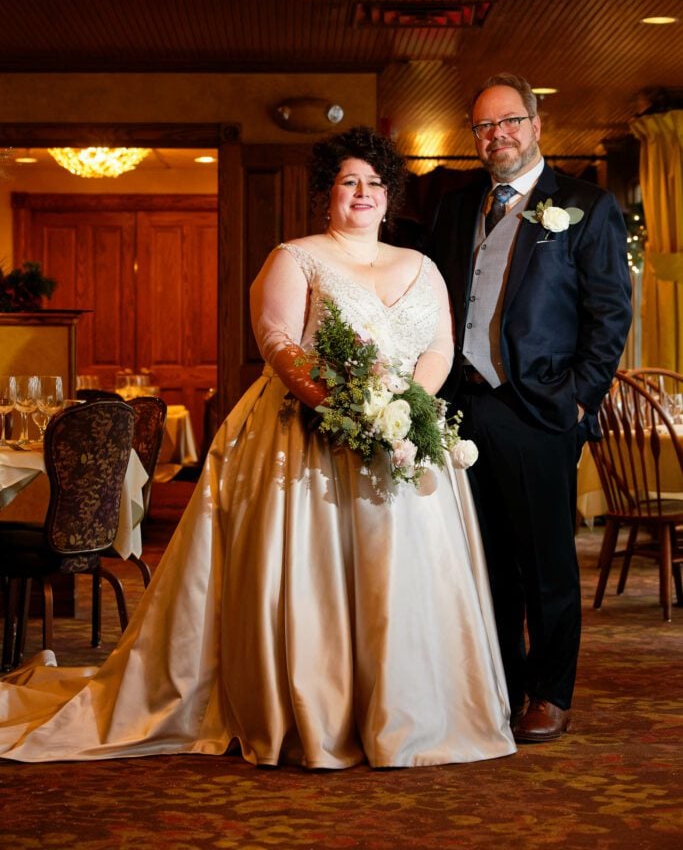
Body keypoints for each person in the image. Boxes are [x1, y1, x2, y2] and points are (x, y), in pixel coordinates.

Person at [0, 126, 515, 768]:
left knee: (403, 576)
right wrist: (347, 409)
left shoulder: (421, 266)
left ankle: (404, 711)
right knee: (315, 579)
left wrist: (406, 409)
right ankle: (315, 713)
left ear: (390, 197)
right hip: (307, 440)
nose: (362, 193)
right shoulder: (295, 256)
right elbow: (279, 344)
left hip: (405, 441)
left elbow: (440, 346)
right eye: (348, 182)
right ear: (327, 194)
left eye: (374, 183)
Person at [431, 74, 632, 742]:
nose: (498, 136)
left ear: (536, 124)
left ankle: (548, 692)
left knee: (545, 562)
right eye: (484, 127)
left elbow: (608, 316)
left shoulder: (583, 205)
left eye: (509, 121)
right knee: (485, 561)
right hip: (464, 407)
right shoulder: (459, 207)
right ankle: (501, 683)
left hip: (542, 410)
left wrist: (578, 400)